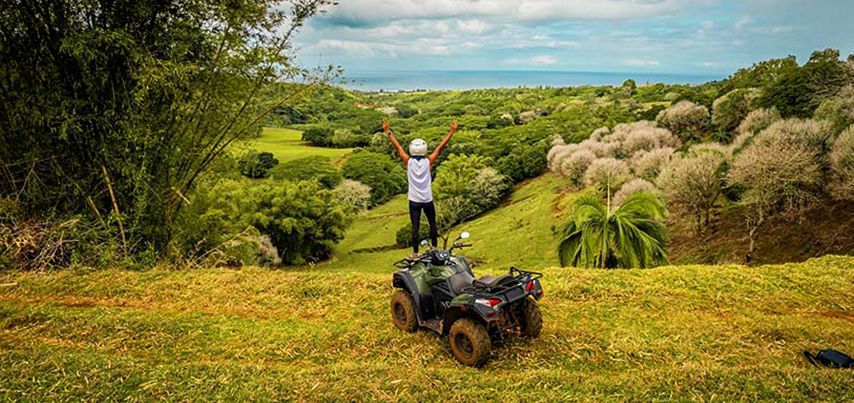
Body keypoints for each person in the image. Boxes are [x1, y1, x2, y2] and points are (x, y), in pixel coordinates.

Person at [384, 118, 458, 258]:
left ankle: (415, 253)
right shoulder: (428, 161)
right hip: (427, 199)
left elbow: (397, 147)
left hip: (414, 200)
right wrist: (451, 132)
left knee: (415, 227)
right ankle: (435, 248)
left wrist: (388, 131)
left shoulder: (408, 161)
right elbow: (440, 148)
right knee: (432, 224)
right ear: (424, 149)